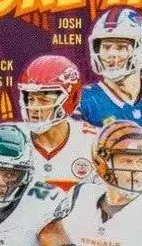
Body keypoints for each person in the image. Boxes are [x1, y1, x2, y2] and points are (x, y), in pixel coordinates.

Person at [77, 7, 142, 128]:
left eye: (121, 47)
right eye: (106, 47)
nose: (111, 54)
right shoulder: (84, 101)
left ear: (141, 50)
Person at [18, 54, 97, 190]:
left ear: (70, 99)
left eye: (43, 100)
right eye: (31, 99)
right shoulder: (10, 137)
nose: (34, 108)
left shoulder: (93, 143)